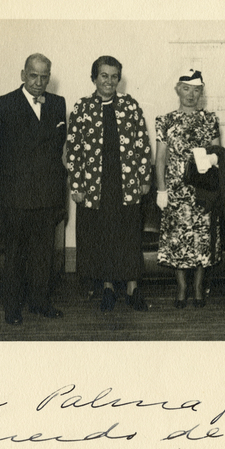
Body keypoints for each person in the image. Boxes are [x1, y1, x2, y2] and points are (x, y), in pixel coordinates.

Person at [0, 53, 66, 325]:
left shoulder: (57, 103)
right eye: (33, 75)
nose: (39, 82)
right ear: (22, 75)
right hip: (13, 198)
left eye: (44, 77)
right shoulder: (0, 105)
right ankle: (12, 307)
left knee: (43, 255)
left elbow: (57, 150)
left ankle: (40, 303)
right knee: (15, 255)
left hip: (47, 197)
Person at [66, 55, 152, 312]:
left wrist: (144, 179)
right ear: (94, 78)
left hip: (126, 182)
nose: (109, 81)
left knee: (128, 235)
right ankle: (108, 288)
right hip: (95, 185)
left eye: (114, 76)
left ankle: (133, 288)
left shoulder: (130, 105)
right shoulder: (82, 107)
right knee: (101, 235)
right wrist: (77, 185)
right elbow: (73, 149)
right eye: (104, 75)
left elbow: (142, 144)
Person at [155, 69, 221, 308]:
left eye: (196, 90)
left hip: (203, 189)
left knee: (203, 239)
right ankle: (182, 287)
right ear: (177, 89)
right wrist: (161, 190)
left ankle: (198, 287)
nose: (191, 95)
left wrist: (211, 159)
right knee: (177, 240)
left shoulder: (209, 119)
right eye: (186, 89)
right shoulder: (165, 120)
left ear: (201, 92)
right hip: (176, 190)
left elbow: (219, 153)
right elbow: (160, 159)